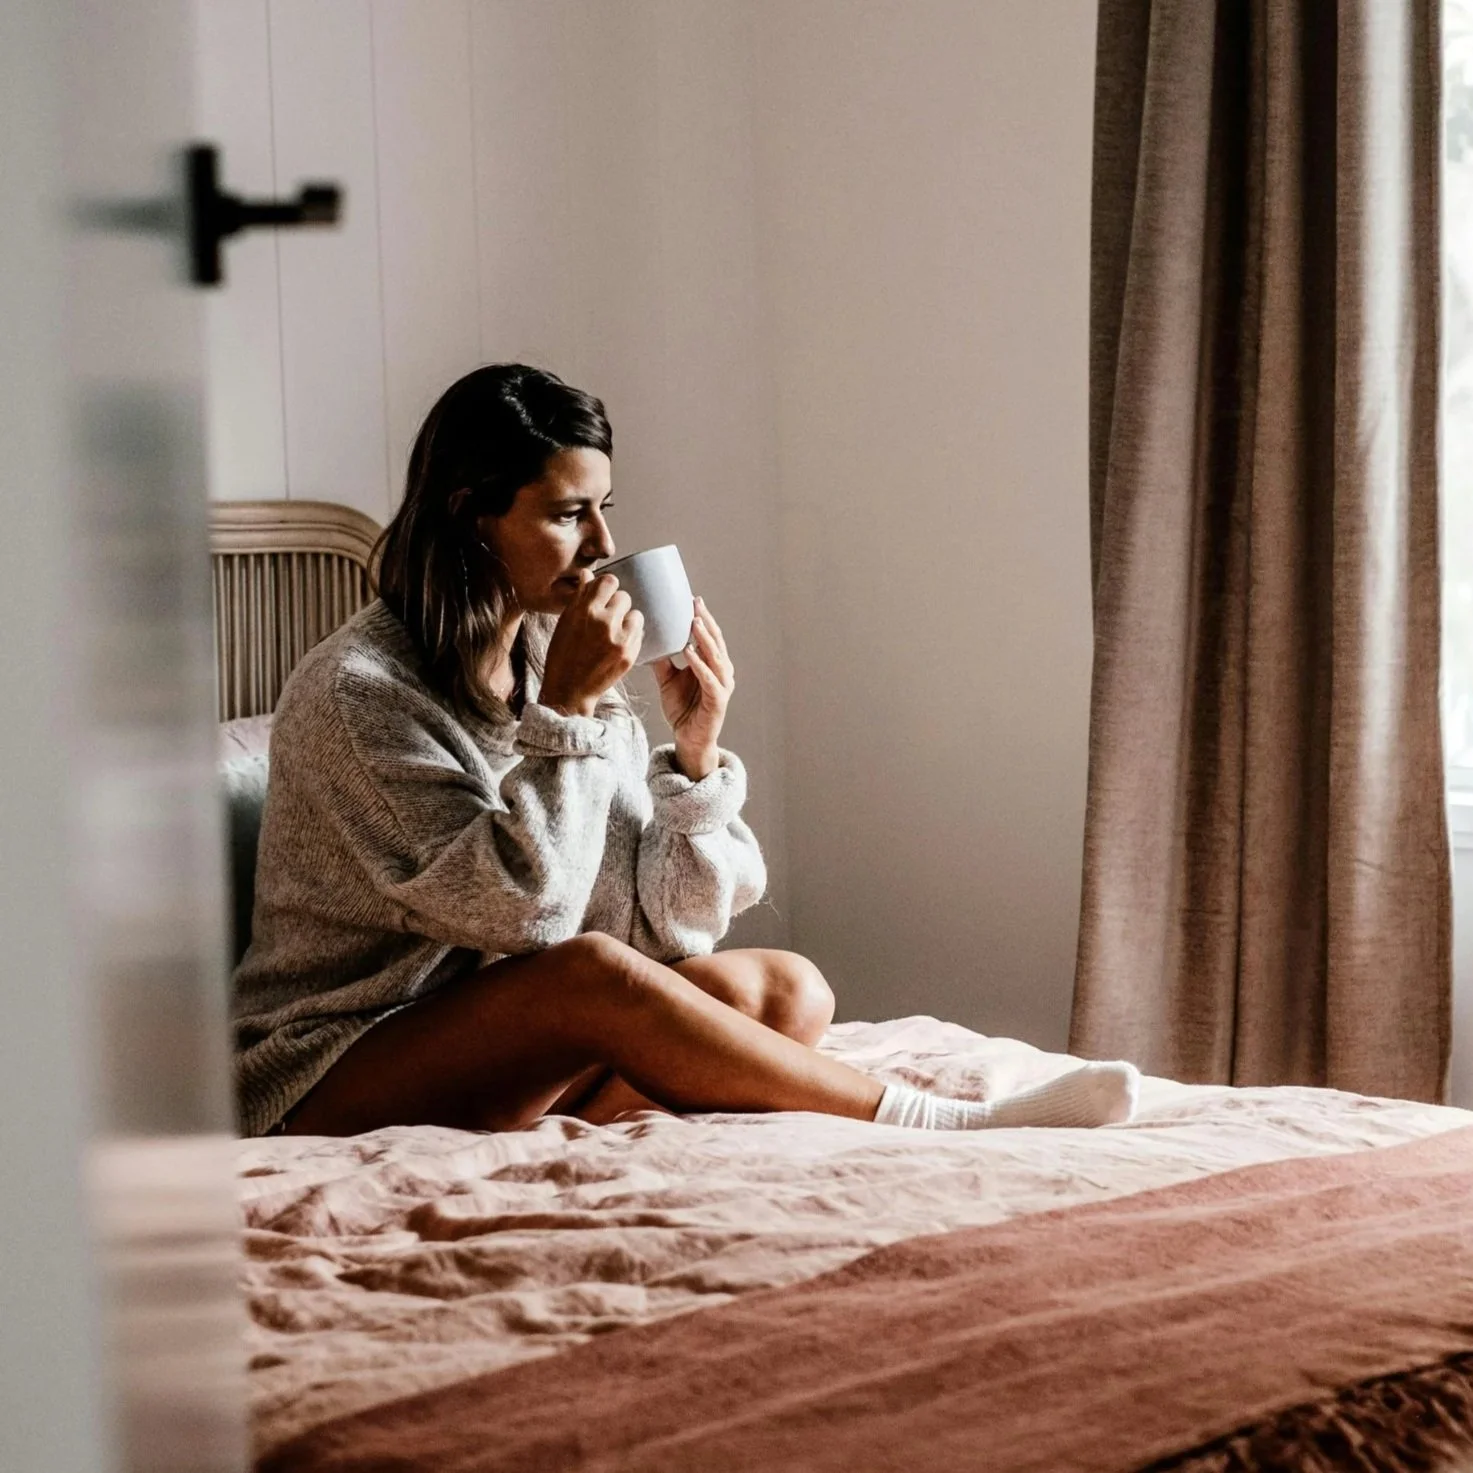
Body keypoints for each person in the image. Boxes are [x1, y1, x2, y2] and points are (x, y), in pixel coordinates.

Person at [231, 364, 1139, 1138]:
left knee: (787, 990)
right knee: (583, 978)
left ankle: (569, 1124)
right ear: (472, 515)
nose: (604, 549)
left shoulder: (547, 659)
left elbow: (665, 926)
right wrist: (572, 712)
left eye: (606, 509)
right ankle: (937, 1122)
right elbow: (529, 920)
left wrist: (692, 763)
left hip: (498, 1051)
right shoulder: (360, 692)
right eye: (568, 515)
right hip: (330, 1068)